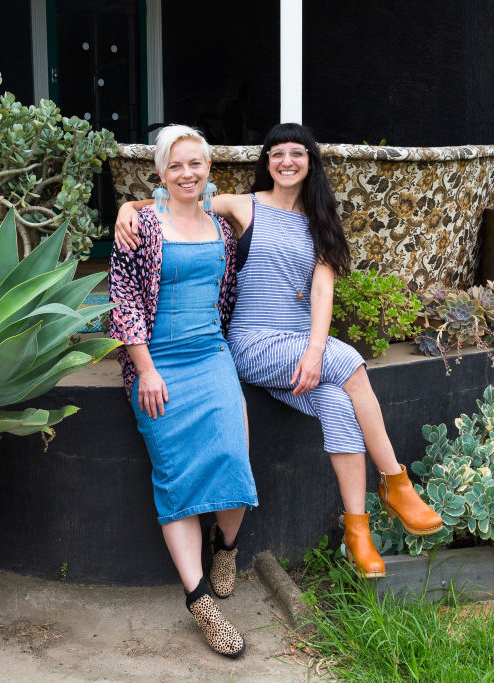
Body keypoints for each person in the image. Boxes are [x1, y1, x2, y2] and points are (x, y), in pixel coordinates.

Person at [114, 123, 442, 579]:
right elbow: (175, 199)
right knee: (351, 365)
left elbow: (323, 291)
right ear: (266, 161)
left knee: (337, 404)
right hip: (252, 342)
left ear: (311, 161)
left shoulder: (321, 222)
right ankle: (394, 481)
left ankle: (357, 530)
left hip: (297, 346)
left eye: (297, 153)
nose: (287, 161)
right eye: (277, 153)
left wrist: (313, 351)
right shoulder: (242, 205)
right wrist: (128, 207)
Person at [107, 124, 257, 658]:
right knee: (174, 475)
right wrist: (145, 369)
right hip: (158, 365)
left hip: (211, 356)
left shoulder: (221, 226)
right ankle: (199, 601)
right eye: (176, 165)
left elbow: (233, 289)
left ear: (209, 169)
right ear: (160, 173)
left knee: (234, 456)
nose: (187, 173)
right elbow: (122, 300)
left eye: (196, 163)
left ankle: (228, 547)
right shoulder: (141, 225)